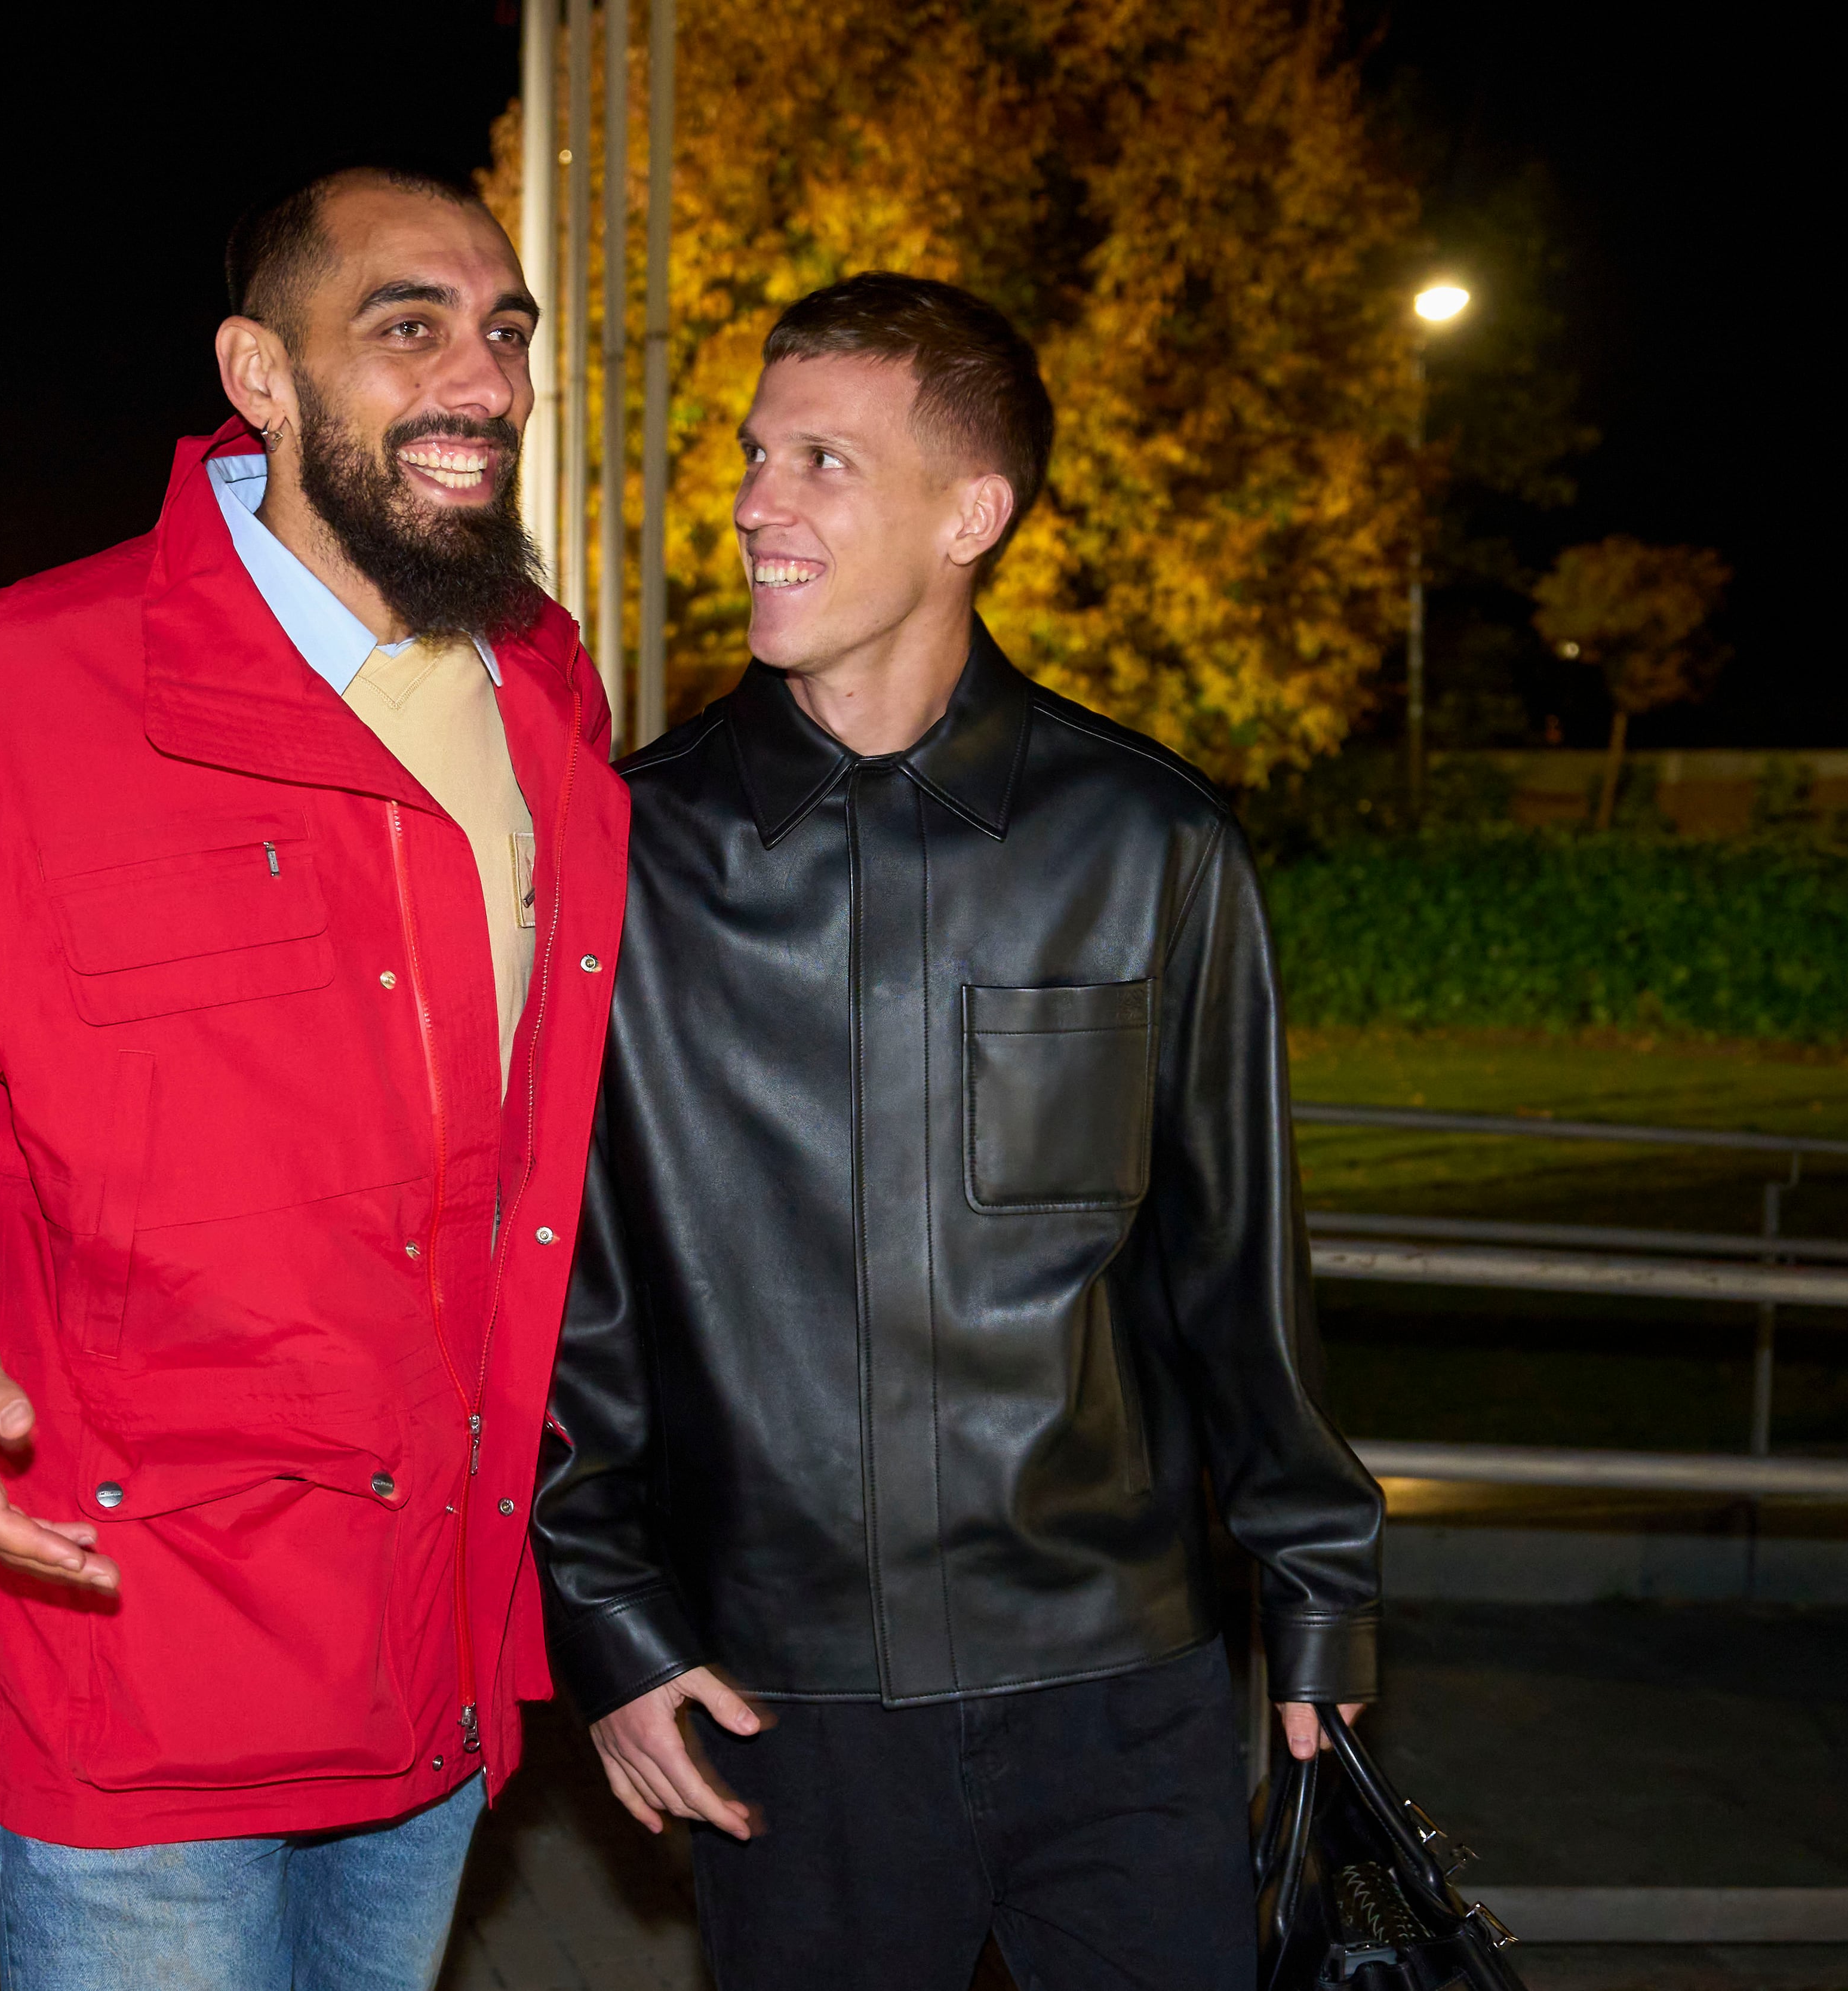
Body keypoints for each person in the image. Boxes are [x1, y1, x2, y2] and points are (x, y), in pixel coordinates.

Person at [0, 164, 630, 1991]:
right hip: (138, 1690)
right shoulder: (22, 694)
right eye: (406, 328)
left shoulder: (538, 694)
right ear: (258, 373)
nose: (479, 378)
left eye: (504, 334)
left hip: (432, 1676)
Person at [529, 272, 1383, 1991]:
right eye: (757, 456)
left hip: (1120, 1697)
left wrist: (1322, 1596)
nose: (757, 503)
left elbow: (1237, 1276)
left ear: (969, 514)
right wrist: (612, 1625)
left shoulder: (1155, 846)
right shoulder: (631, 859)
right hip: (785, 1714)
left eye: (823, 464)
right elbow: (569, 1292)